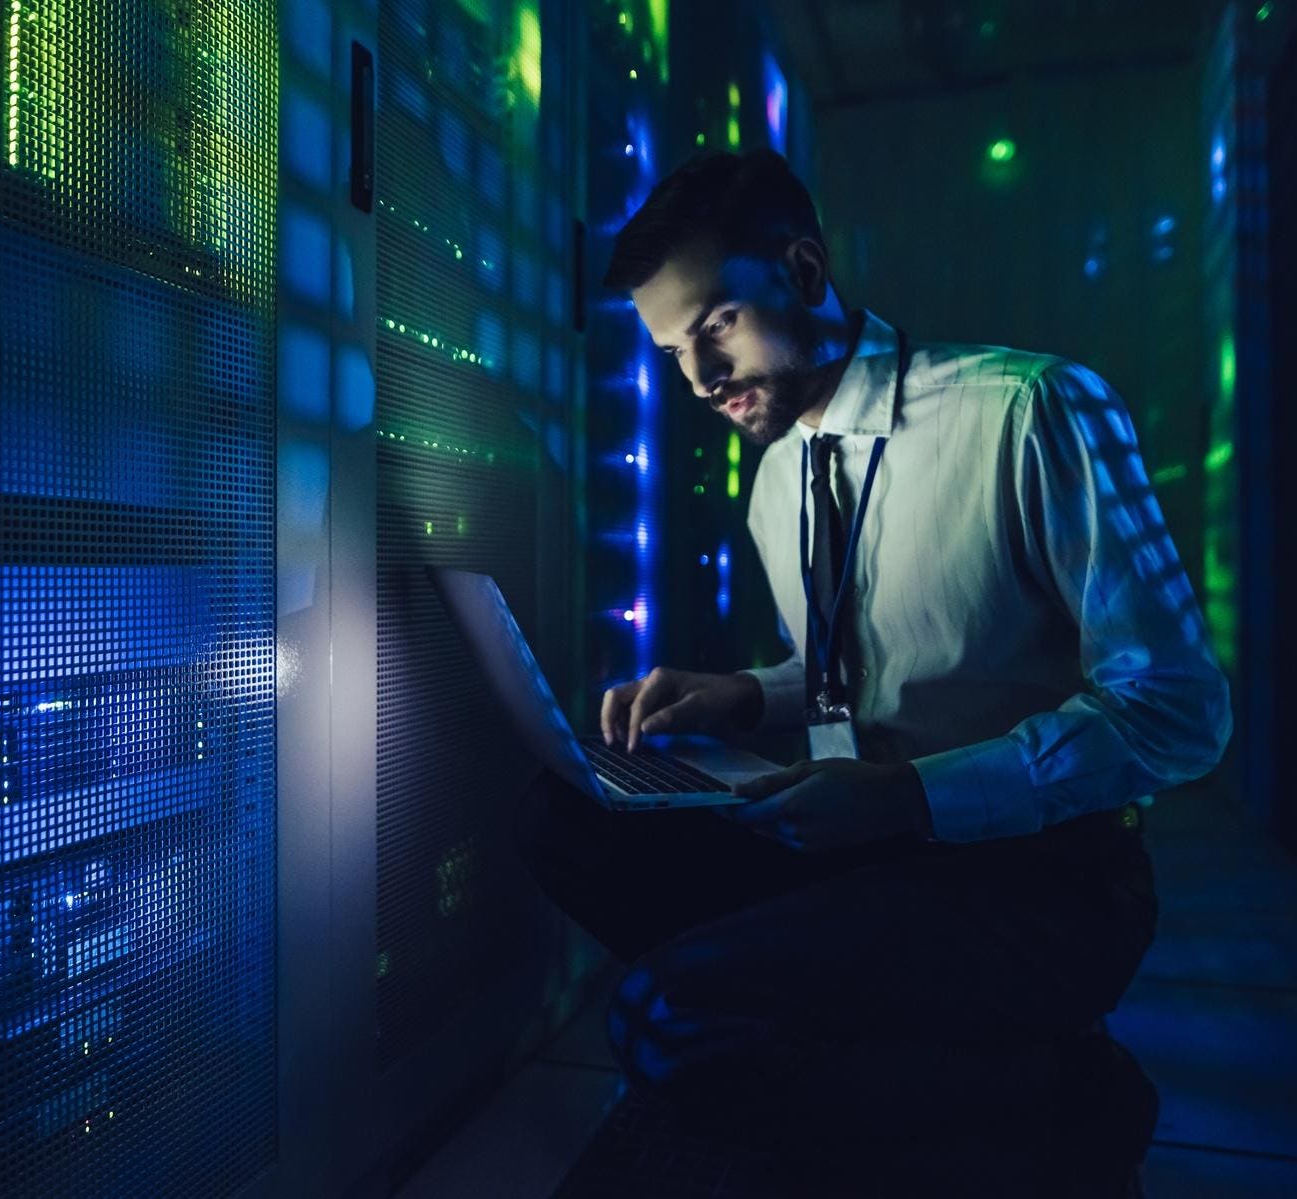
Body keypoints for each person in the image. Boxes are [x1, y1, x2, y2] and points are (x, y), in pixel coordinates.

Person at [514, 149, 1232, 1196]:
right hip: (863, 855)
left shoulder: (1031, 411)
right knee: (557, 817)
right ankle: (872, 1034)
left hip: (1049, 884)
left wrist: (912, 796)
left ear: (804, 271)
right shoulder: (773, 482)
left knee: (663, 1016)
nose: (702, 378)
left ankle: (1060, 1092)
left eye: (717, 324)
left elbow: (1178, 710)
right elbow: (870, 661)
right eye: (673, 350)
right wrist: (748, 693)